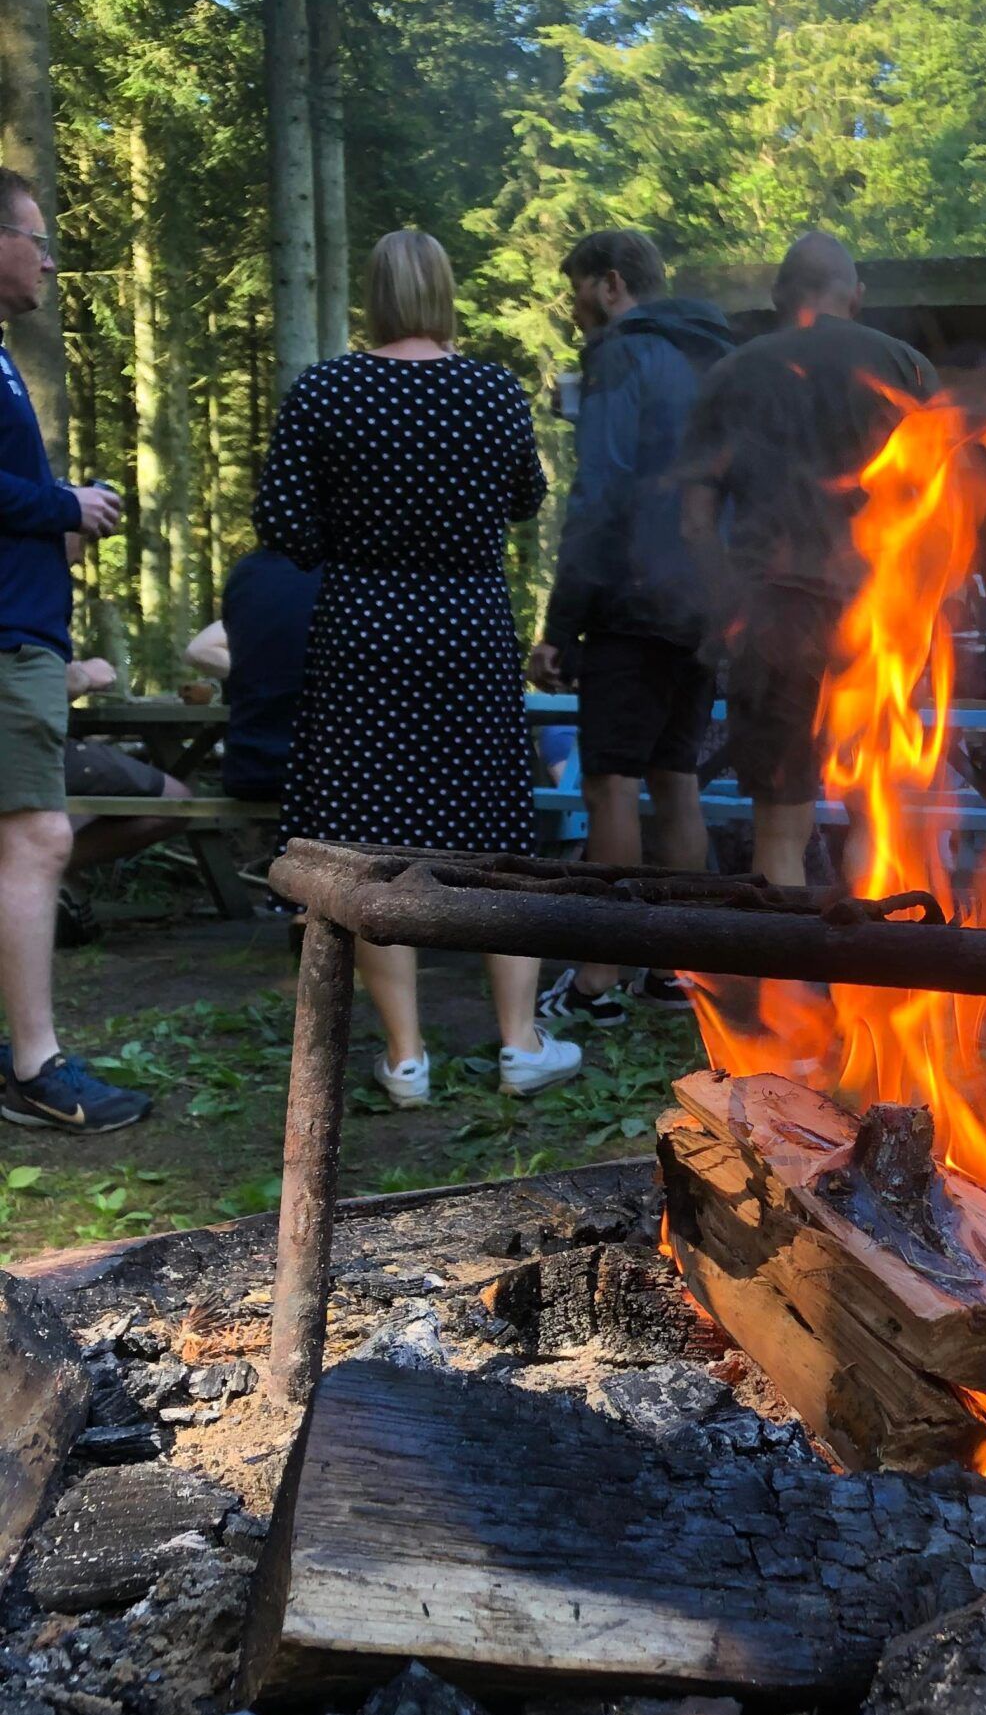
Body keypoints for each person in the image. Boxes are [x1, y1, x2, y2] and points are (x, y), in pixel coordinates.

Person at [256, 228, 580, 1107]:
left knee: (367, 841)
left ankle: (406, 1060)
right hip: (467, 624)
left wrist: (354, 541)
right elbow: (524, 498)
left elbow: (283, 522)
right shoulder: (491, 389)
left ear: (374, 294)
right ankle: (519, 1045)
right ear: (442, 294)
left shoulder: (326, 389)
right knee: (495, 834)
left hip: (363, 624)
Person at [681, 230, 937, 887]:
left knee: (781, 824)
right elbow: (942, 515)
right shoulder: (905, 367)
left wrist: (731, 611)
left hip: (771, 620)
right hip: (877, 619)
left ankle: (784, 988)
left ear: (777, 296)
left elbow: (695, 521)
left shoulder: (731, 375)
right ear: (857, 295)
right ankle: (872, 980)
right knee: (875, 812)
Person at [532, 228, 734, 1024]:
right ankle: (681, 971)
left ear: (611, 284)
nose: (574, 309)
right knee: (675, 774)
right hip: (703, 602)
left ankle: (597, 979)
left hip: (634, 594)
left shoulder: (622, 352)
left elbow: (602, 490)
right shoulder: (715, 354)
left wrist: (561, 621)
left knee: (611, 776)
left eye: (578, 290)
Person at [0, 166, 148, 1131]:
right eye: (35, 237)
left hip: (23, 633)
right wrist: (66, 505)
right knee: (38, 836)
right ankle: (36, 1069)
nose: (51, 258)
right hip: (9, 642)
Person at [183, 546, 323, 800]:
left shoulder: (252, 574)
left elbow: (198, 649)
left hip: (255, 767)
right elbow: (199, 649)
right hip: (328, 774)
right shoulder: (348, 578)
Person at [62, 658, 190, 871]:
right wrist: (82, 674)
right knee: (176, 801)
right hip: (27, 751)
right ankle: (30, 868)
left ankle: (36, 869)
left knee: (76, 808)